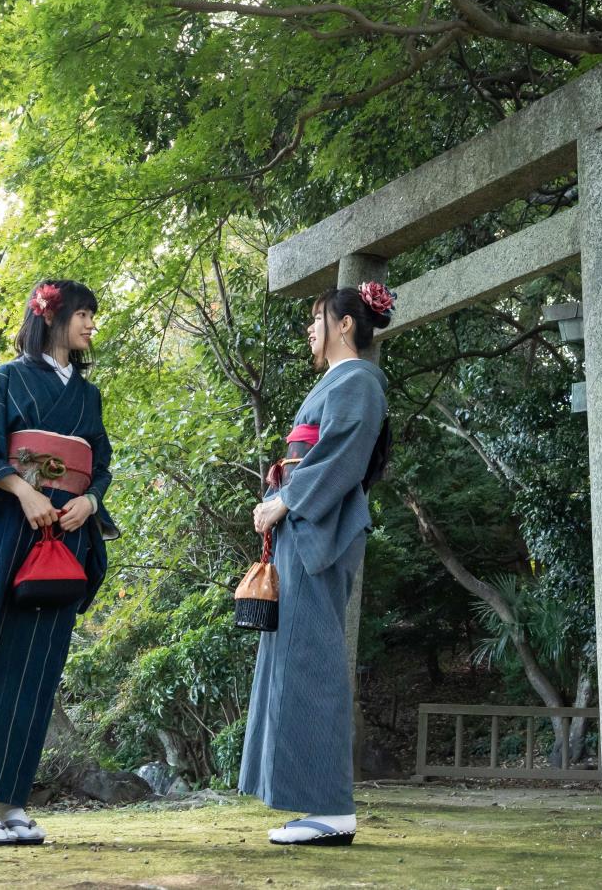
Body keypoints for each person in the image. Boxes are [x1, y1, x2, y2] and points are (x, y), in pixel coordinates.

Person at [0, 279, 118, 847]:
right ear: (51, 316)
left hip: (63, 538)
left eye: (92, 316)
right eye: (83, 314)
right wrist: (23, 490)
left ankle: (10, 799)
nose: (90, 325)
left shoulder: (86, 396)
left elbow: (99, 463)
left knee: (38, 666)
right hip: (8, 530)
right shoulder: (8, 379)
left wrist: (88, 502)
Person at [238, 281, 393, 847]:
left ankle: (331, 809)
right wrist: (280, 501)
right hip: (301, 528)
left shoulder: (358, 381)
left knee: (315, 659)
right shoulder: (337, 383)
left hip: (317, 528)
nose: (310, 328)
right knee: (296, 658)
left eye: (317, 317)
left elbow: (343, 456)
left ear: (345, 323)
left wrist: (286, 500)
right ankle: (315, 804)